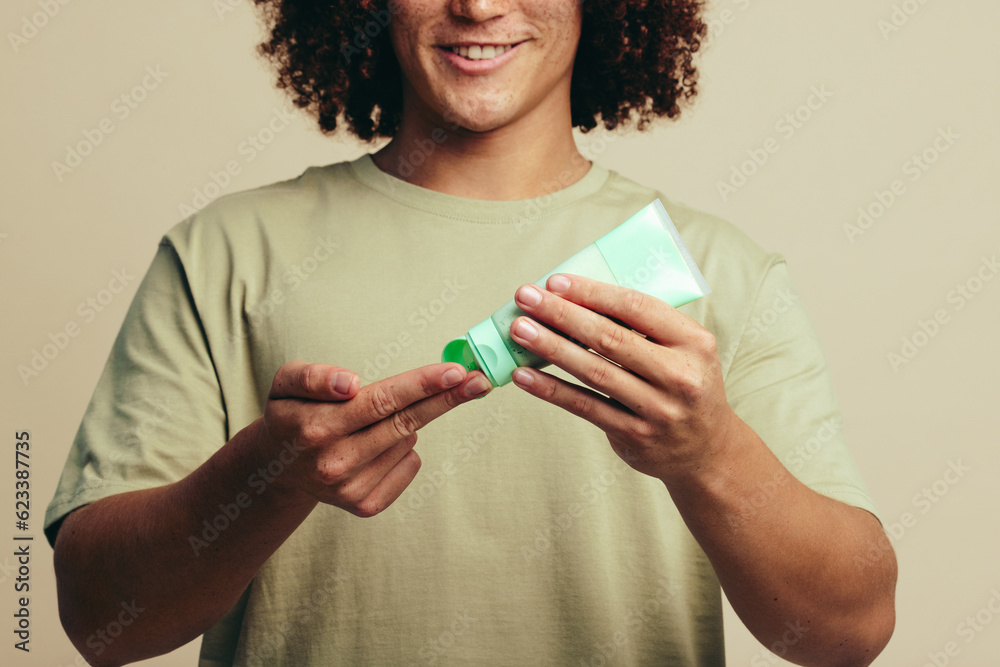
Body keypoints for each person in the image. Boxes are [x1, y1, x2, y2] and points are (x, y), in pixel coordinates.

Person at [46, 1, 897, 665]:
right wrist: (268, 477)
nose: (479, 5)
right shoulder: (224, 255)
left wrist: (709, 453)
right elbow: (100, 624)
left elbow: (847, 633)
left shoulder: (719, 269)